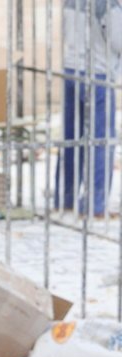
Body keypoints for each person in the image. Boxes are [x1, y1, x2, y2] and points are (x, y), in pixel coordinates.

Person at [56, 0, 122, 216]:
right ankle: (96, 205)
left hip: (71, 70)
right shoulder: (107, 3)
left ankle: (64, 199)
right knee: (101, 142)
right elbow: (118, 40)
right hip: (98, 74)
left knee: (71, 139)